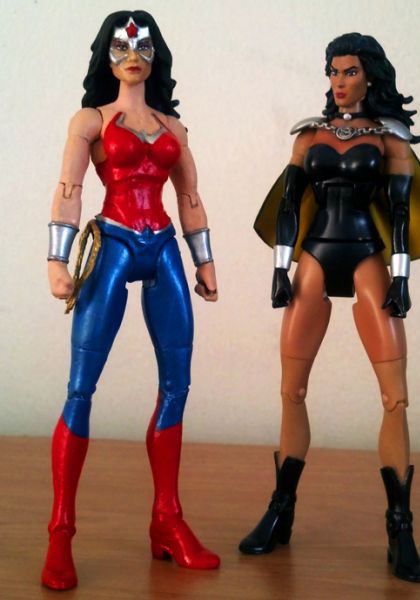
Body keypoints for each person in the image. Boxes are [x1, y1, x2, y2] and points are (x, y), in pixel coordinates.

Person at [239, 32, 420, 583]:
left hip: (365, 253)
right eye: (333, 71)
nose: (339, 81)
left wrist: (402, 277)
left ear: (369, 76)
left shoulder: (389, 136)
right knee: (291, 390)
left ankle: (400, 525)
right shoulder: (309, 134)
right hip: (314, 254)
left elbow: (400, 213)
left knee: (395, 397)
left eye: (349, 71)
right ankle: (280, 509)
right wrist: (279, 267)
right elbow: (289, 203)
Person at [43, 10, 220, 591]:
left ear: (155, 53)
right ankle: (61, 531)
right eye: (121, 45)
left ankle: (167, 520)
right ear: (107, 54)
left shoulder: (173, 126)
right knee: (81, 387)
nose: (132, 54)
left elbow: (189, 194)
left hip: (162, 243)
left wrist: (204, 260)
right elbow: (69, 188)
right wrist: (57, 258)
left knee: (177, 385)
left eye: (142, 45)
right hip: (115, 241)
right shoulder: (92, 120)